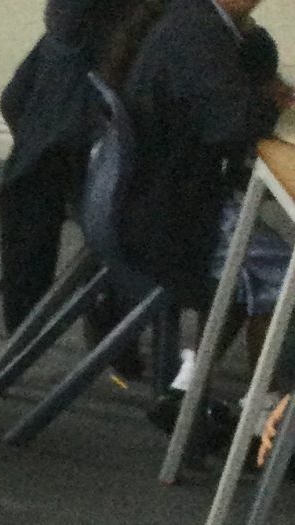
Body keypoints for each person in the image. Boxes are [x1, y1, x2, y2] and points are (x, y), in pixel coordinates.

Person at [121, 0, 295, 387]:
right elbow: (233, 125)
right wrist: (271, 100)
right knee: (286, 277)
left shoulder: (193, 18)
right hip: (173, 218)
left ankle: (189, 382)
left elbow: (234, 97)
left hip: (157, 198)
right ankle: (265, 410)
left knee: (253, 269)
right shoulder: (199, 35)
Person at [0, 2, 166, 330]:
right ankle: (103, 310)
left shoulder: (69, 34)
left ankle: (29, 328)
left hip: (48, 164)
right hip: (82, 172)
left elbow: (13, 101)